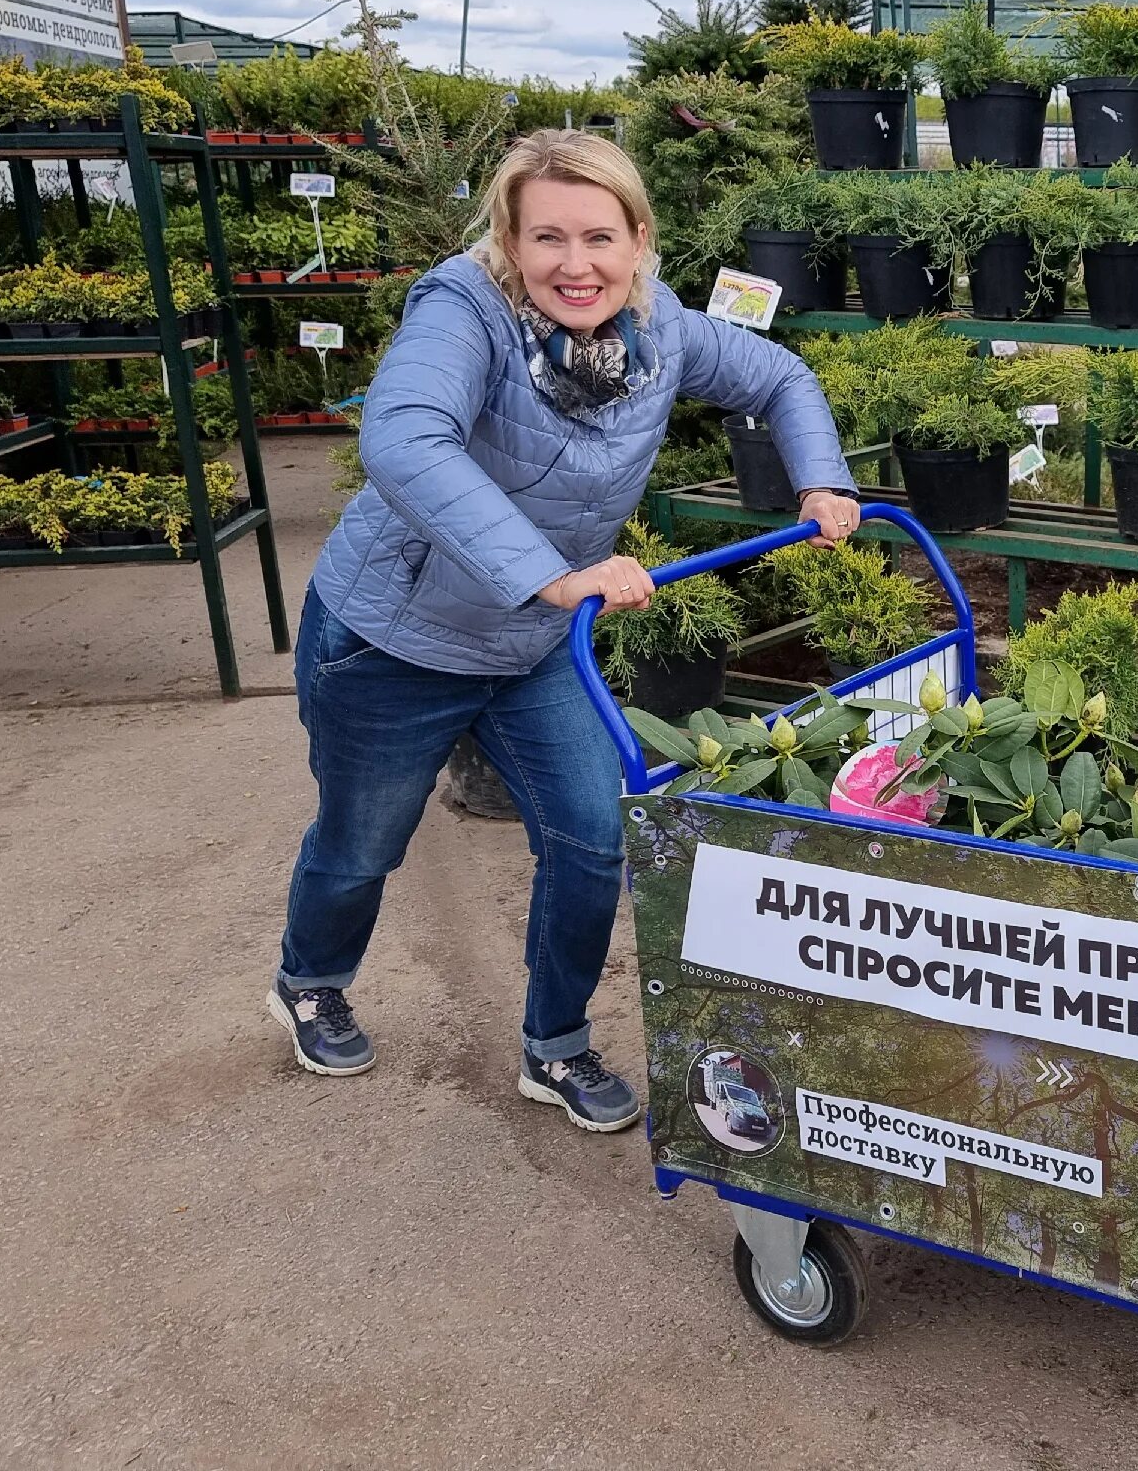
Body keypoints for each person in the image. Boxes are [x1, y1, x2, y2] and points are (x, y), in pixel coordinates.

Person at [267, 129, 859, 1132]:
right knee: (364, 843)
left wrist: (821, 477)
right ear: (508, 238)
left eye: (598, 237)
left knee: (591, 838)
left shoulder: (661, 325)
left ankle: (557, 1046)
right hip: (394, 641)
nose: (574, 265)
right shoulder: (465, 310)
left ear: (639, 239)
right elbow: (405, 436)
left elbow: (780, 380)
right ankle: (311, 980)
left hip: (534, 646)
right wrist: (549, 573)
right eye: (546, 238)